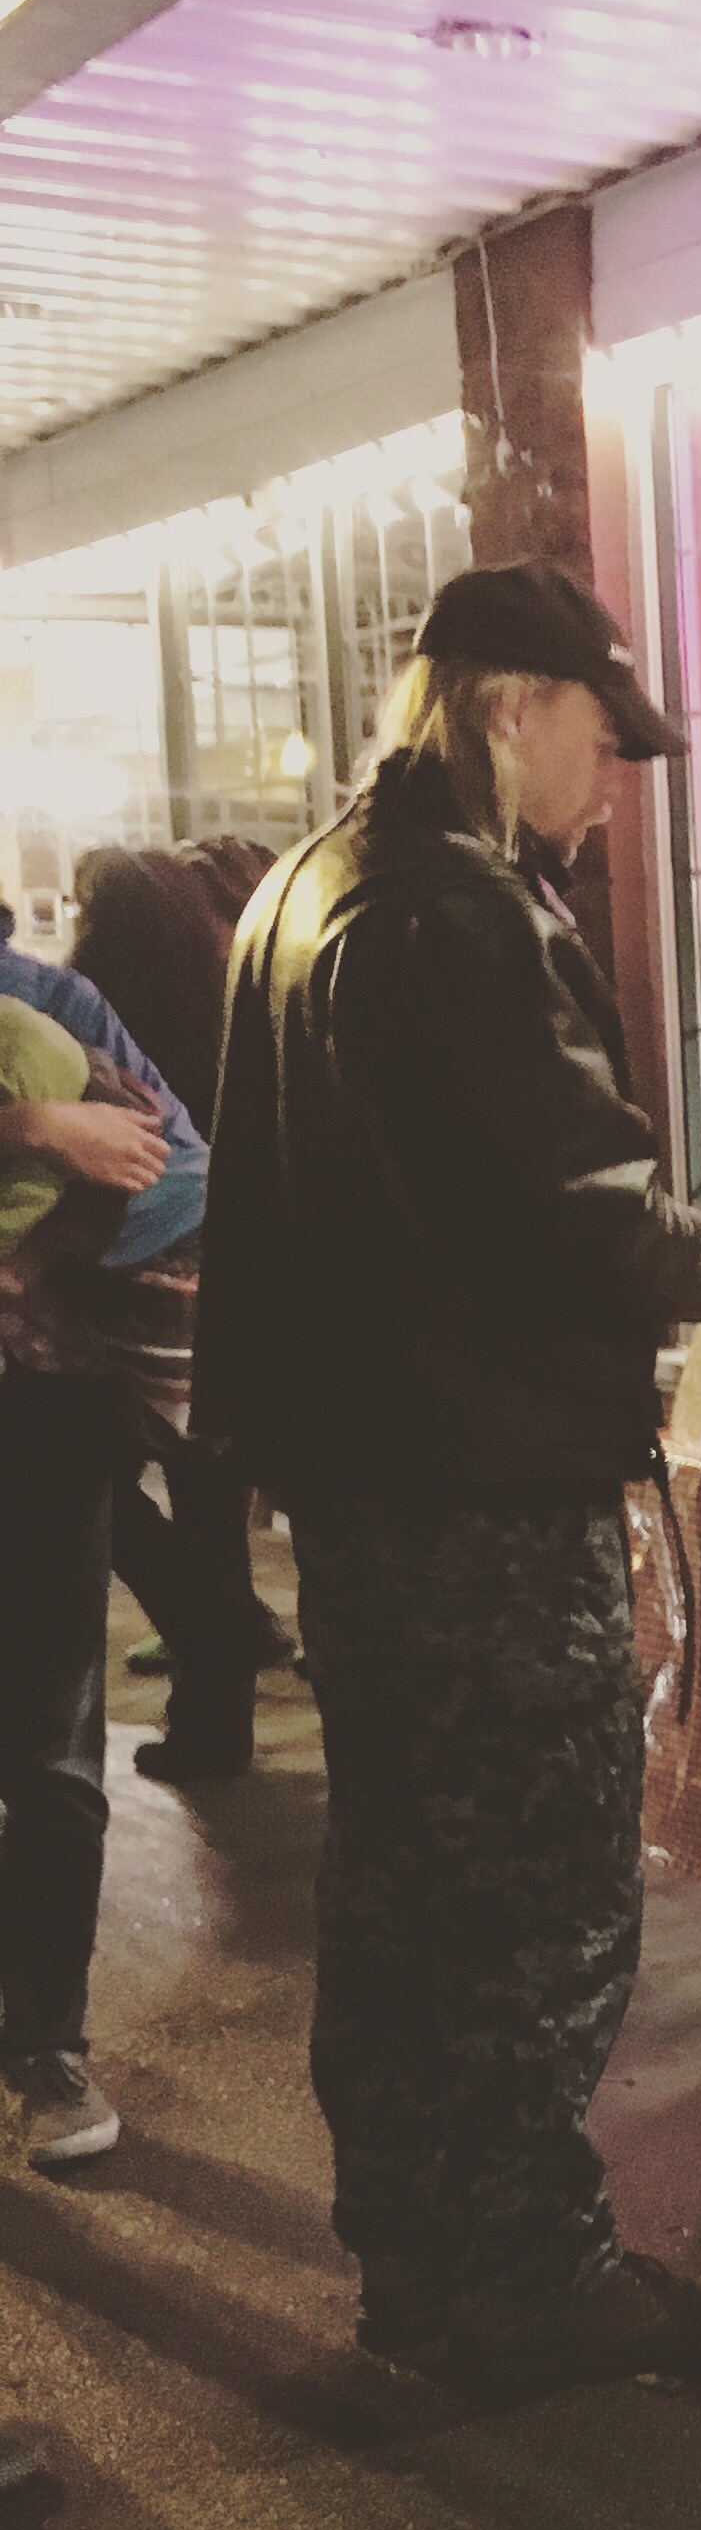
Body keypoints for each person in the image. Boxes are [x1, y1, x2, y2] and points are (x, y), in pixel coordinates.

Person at [197, 559, 701, 2398]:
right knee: (533, 1887)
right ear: (511, 703)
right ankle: (531, 2267)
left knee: (402, 1875)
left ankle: (418, 2254)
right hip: (484, 1485)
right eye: (602, 738)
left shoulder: (302, 887)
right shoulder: (457, 906)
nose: (612, 782)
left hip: (360, 1492)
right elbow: (570, 1210)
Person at [0, 915, 205, 2169]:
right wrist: (29, 1131)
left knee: (54, 1742)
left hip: (48, 1407)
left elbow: (184, 1169)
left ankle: (45, 2045)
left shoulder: (52, 1000)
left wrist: (41, 1249)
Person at [68, 841, 290, 1782]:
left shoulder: (82, 1007)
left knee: (95, 1482)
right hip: (231, 1276)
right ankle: (216, 1728)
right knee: (210, 1500)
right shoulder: (228, 1003)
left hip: (117, 1278)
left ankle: (220, 1637)